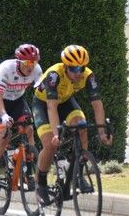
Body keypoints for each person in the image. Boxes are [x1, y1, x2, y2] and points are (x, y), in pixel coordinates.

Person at [33, 45, 112, 205]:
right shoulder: (54, 75)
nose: (78, 73)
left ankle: (78, 172)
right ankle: (40, 182)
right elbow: (51, 107)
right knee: (50, 145)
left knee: (81, 125)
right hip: (43, 104)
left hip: (65, 101)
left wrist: (102, 132)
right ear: (65, 66)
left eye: (81, 68)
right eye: (74, 68)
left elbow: (97, 105)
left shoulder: (88, 76)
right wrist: (56, 134)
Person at [0, 44, 43, 193]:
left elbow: (42, 95)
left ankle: (29, 172)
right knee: (5, 134)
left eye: (34, 62)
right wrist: (4, 115)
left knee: (29, 129)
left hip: (17, 100)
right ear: (19, 61)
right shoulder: (6, 69)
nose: (31, 66)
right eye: (27, 63)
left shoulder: (37, 70)